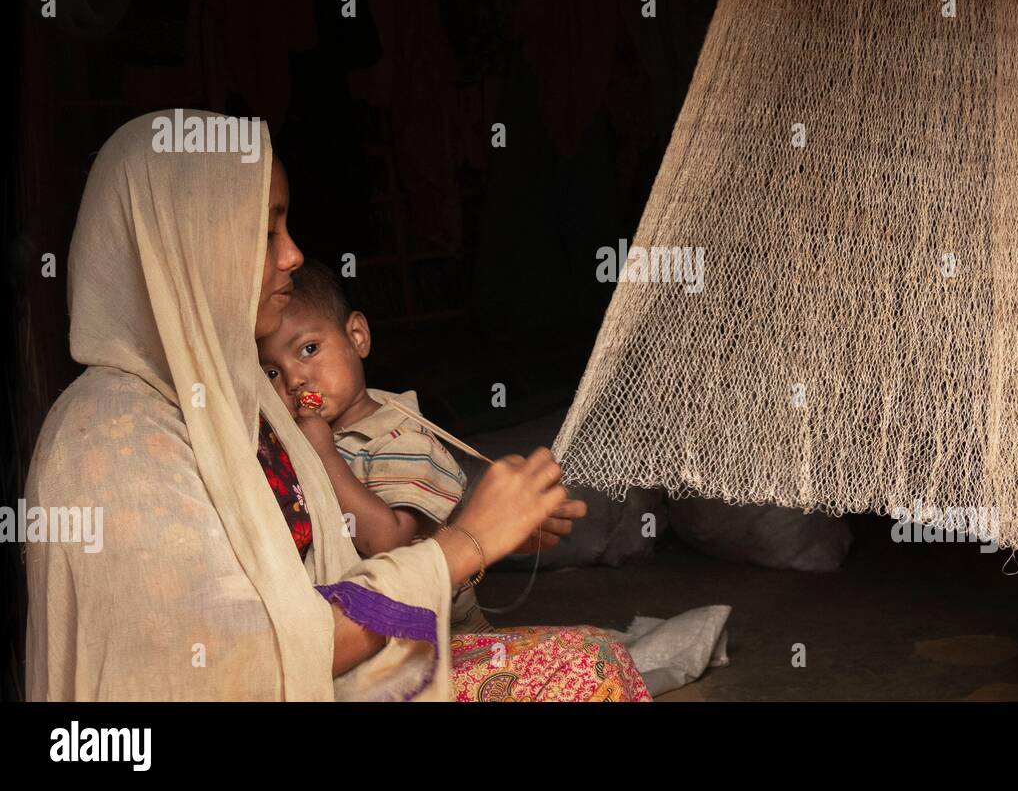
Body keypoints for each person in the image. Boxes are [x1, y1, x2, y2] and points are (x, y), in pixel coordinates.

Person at [24, 110, 651, 701]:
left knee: (590, 661)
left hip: (338, 672)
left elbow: (348, 565)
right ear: (183, 249)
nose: (292, 255)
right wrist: (464, 544)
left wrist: (477, 534)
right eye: (265, 232)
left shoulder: (242, 403)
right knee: (586, 671)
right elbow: (245, 665)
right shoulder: (108, 439)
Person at [257, 259, 489, 630]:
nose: (295, 379)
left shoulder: (402, 436)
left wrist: (323, 454)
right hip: (361, 633)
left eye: (309, 349)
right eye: (271, 372)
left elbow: (389, 541)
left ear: (358, 337)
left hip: (443, 643)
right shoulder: (292, 441)